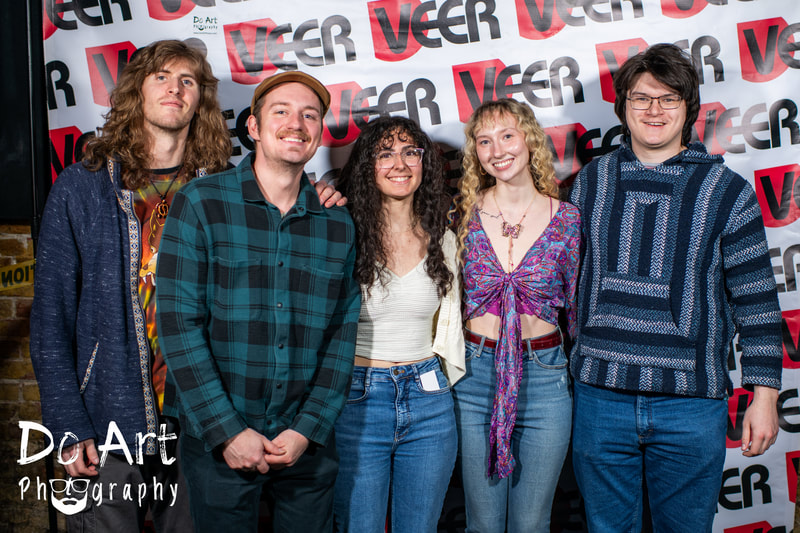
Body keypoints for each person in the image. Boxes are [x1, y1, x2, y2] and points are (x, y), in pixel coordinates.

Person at [569, 43, 782, 531]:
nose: (654, 110)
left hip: (690, 405)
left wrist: (765, 396)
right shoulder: (590, 183)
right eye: (642, 98)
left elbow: (757, 303)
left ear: (689, 108)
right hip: (600, 399)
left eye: (668, 99)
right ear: (622, 106)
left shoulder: (727, 191)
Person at [29, 39, 231, 532]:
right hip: (106, 421)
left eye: (187, 80)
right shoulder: (82, 187)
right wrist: (67, 425)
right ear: (136, 91)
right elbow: (51, 318)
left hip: (201, 421)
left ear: (200, 100)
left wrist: (321, 195)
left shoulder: (224, 190)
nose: (174, 88)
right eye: (161, 76)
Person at [155, 70, 360, 533]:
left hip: (305, 445)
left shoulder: (337, 224)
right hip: (219, 440)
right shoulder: (201, 203)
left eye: (310, 115)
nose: (296, 124)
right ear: (253, 127)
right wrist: (227, 431)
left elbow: (341, 335)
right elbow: (178, 326)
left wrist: (307, 429)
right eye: (281, 111)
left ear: (319, 133)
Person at [453, 98, 581, 532]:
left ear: (529, 140)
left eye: (507, 135)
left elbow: (577, 307)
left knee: (531, 523)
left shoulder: (567, 220)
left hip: (545, 376)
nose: (497, 150)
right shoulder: (461, 215)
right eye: (484, 141)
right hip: (475, 374)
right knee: (483, 524)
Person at [332, 116, 464, 532]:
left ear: (425, 163)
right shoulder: (340, 231)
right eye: (385, 154)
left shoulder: (444, 239)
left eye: (411, 152)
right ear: (366, 165)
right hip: (357, 399)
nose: (400, 164)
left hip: (429, 399)